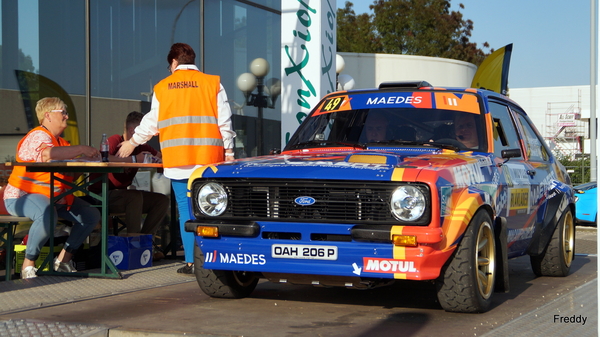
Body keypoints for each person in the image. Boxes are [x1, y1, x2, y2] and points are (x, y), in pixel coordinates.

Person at [116, 43, 236, 275]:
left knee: (186, 209)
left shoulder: (162, 87)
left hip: (178, 161)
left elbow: (152, 121)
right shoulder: (213, 83)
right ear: (192, 60)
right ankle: (215, 258)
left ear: (173, 63)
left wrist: (132, 141)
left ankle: (191, 262)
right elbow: (225, 123)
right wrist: (229, 153)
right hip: (209, 160)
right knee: (212, 209)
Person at [3, 97, 101, 279]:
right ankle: (28, 264)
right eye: (62, 112)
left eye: (66, 112)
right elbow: (47, 155)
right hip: (22, 196)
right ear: (48, 116)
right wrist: (81, 149)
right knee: (47, 212)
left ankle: (63, 261)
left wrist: (87, 161)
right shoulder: (38, 135)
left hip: (53, 197)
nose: (67, 115)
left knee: (91, 215)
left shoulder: (61, 142)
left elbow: (67, 175)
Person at [88, 111, 169, 241]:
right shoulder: (115, 140)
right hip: (101, 195)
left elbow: (160, 156)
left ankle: (145, 242)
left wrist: (159, 159)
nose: (147, 135)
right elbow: (103, 157)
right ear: (132, 130)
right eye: (143, 130)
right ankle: (133, 242)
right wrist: (135, 159)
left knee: (162, 200)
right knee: (134, 197)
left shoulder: (142, 146)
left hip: (123, 196)